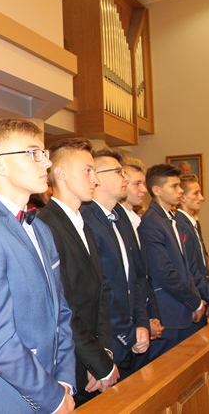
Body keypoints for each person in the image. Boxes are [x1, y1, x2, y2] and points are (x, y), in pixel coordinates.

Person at [0, 118, 76, 414]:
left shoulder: (41, 229)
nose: (46, 162)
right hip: (6, 399)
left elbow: (60, 312)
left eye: (44, 153)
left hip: (53, 386)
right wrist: (51, 396)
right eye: (33, 153)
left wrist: (64, 381)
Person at [39, 137, 118, 405]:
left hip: (90, 360)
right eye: (87, 170)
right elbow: (64, 308)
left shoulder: (84, 225)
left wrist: (104, 354)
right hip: (67, 363)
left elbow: (99, 295)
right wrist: (98, 363)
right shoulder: (46, 226)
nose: (95, 179)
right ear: (60, 174)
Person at [80, 149, 149, 380]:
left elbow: (134, 278)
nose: (125, 178)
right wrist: (128, 334)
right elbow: (101, 287)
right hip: (109, 340)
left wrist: (142, 323)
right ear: (97, 177)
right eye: (119, 172)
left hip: (129, 334)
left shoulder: (118, 219)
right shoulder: (86, 220)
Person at [138, 164, 205, 356]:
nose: (180, 190)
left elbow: (185, 267)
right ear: (157, 190)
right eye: (174, 186)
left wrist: (196, 300)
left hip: (182, 308)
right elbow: (165, 272)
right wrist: (194, 302)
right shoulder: (151, 222)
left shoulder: (169, 218)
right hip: (170, 314)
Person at [117, 158, 164, 362]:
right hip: (130, 325)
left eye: (143, 183)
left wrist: (151, 316)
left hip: (142, 316)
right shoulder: (118, 222)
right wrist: (142, 322)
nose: (144, 190)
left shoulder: (133, 221)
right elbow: (126, 281)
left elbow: (144, 277)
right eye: (137, 184)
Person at [176, 174, 209, 321]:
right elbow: (192, 270)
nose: (201, 198)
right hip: (192, 304)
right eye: (196, 193)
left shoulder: (192, 223)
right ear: (182, 197)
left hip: (202, 297)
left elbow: (203, 268)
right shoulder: (181, 225)